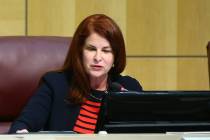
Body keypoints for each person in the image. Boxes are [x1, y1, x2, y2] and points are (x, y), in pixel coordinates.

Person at [9, 14, 142, 134]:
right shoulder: (55, 85)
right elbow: (21, 127)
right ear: (79, 52)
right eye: (91, 49)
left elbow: (149, 132)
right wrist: (22, 133)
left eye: (106, 51)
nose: (98, 57)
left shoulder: (128, 88)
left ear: (115, 56)